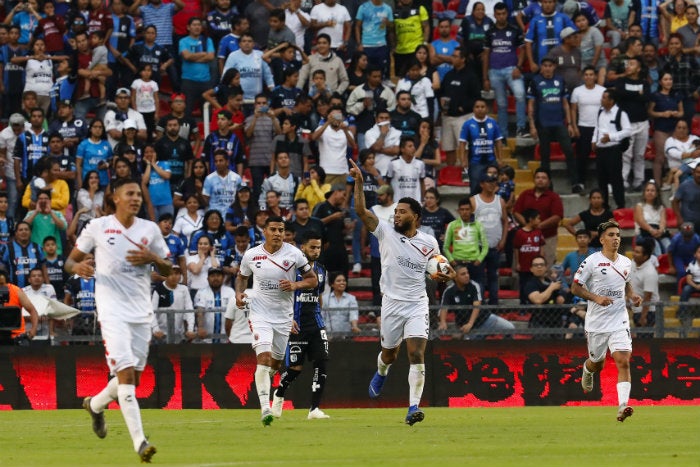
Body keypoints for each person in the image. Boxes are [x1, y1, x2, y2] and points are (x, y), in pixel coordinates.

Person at [66, 177, 172, 462]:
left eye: (139, 194)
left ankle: (95, 405)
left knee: (133, 379)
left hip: (140, 311)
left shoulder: (149, 229)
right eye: (130, 193)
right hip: (111, 310)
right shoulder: (98, 227)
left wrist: (152, 257)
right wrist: (78, 265)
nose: (136, 198)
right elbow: (69, 261)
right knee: (124, 374)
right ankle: (140, 443)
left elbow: (170, 268)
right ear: (115, 197)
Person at [348, 158, 454, 425]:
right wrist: (359, 183)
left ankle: (412, 408)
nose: (396, 215)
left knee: (416, 354)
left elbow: (441, 267)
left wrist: (446, 273)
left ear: (415, 217)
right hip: (392, 304)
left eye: (402, 212)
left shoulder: (429, 241)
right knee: (389, 354)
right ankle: (382, 371)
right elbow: (361, 211)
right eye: (395, 211)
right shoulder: (385, 232)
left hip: (417, 303)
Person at [235, 216, 317, 425]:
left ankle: (270, 389)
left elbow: (313, 280)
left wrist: (295, 286)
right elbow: (242, 277)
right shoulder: (252, 255)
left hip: (283, 317)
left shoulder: (294, 254)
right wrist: (239, 293)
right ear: (264, 231)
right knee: (263, 359)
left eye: (281, 229)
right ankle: (265, 409)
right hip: (260, 314)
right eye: (273, 229)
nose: (278, 233)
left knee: (276, 364)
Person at [572, 219, 642, 422]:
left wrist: (632, 295)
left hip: (619, 320)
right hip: (597, 322)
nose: (616, 239)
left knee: (623, 361)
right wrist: (596, 298)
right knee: (597, 364)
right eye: (611, 235)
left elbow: (626, 284)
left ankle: (622, 406)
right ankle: (587, 369)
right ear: (602, 239)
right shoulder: (591, 261)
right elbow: (575, 288)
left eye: (618, 235)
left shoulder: (626, 262)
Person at [272, 231, 330, 419]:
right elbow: (280, 297)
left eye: (319, 247)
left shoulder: (321, 270)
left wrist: (320, 317)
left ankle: (314, 409)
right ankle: (279, 394)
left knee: (322, 362)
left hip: (315, 323)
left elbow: (318, 295)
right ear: (302, 247)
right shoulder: (291, 270)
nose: (316, 251)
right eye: (312, 247)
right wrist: (287, 318)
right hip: (296, 324)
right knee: (295, 369)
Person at [527, 57, 576, 188]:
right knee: (545, 156)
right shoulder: (535, 81)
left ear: (554, 67)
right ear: (541, 67)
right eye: (545, 65)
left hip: (559, 123)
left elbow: (565, 103)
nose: (547, 68)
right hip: (543, 124)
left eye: (550, 65)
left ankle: (575, 182)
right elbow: (531, 105)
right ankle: (547, 185)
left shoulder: (560, 80)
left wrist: (570, 124)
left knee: (569, 151)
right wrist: (532, 126)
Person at [483, 2, 528, 139]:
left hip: (512, 70)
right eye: (498, 14)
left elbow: (523, 50)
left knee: (520, 95)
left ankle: (521, 128)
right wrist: (485, 77)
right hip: (494, 72)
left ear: (507, 14)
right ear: (495, 15)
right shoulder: (489, 32)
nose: (501, 16)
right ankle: (503, 134)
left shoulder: (515, 29)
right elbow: (486, 55)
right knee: (501, 104)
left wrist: (518, 67)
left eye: (503, 14)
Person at [438, 264, 515, 339]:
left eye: (467, 273)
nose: (467, 275)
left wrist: (470, 324)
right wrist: (443, 322)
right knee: (464, 343)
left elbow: (476, 306)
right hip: (465, 325)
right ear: (455, 277)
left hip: (486, 319)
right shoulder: (449, 291)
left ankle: (502, 349)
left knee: (510, 328)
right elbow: (444, 308)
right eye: (463, 274)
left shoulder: (474, 286)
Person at [513, 168, 564, 267]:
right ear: (534, 180)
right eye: (538, 177)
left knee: (546, 267)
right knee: (522, 267)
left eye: (543, 178)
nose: (540, 180)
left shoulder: (554, 197)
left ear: (549, 181)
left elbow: (557, 216)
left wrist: (539, 226)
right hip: (525, 238)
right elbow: (516, 212)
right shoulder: (525, 194)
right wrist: (527, 225)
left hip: (547, 238)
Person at [592, 88, 632, 210]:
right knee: (602, 179)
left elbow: (628, 130)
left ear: (611, 101)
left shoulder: (621, 113)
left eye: (604, 98)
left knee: (616, 179)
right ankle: (604, 205)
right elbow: (597, 127)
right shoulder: (600, 112)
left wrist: (611, 137)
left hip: (613, 150)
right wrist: (594, 140)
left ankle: (620, 205)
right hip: (601, 150)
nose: (601, 100)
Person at [570, 66, 606, 193]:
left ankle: (604, 184)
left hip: (600, 128)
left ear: (595, 76)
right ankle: (580, 182)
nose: (589, 77)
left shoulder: (603, 91)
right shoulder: (577, 91)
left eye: (591, 74)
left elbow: (607, 110)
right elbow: (573, 110)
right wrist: (574, 126)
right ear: (583, 77)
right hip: (583, 127)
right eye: (586, 74)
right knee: (582, 157)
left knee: (602, 157)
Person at [457, 98, 504, 191]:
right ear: (473, 109)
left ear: (487, 109)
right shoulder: (468, 124)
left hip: (491, 161)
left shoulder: (493, 122)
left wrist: (500, 159)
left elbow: (498, 141)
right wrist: (463, 160)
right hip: (475, 162)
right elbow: (462, 143)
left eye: (482, 107)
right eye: (477, 107)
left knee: (494, 187)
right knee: (475, 187)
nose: (480, 109)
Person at [151, 265, 195, 344]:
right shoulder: (158, 289)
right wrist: (155, 329)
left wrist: (190, 329)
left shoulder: (184, 289)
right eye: (171, 274)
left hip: (178, 335)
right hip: (161, 335)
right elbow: (152, 311)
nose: (174, 276)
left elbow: (189, 310)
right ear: (165, 275)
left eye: (177, 273)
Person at [193, 267, 235, 343]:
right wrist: (200, 327)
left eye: (218, 275)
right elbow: (199, 311)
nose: (215, 278)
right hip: (206, 339)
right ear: (207, 279)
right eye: (212, 276)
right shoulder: (201, 292)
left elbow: (235, 311)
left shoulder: (230, 292)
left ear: (223, 278)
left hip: (227, 339)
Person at [634, 180, 671, 255]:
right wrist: (651, 230)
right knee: (656, 248)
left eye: (652, 190)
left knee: (668, 246)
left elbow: (663, 222)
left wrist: (660, 231)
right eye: (647, 190)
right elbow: (641, 221)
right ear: (644, 193)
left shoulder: (661, 207)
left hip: (659, 233)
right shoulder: (639, 206)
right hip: (644, 234)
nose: (650, 192)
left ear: (657, 193)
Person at [630, 238, 659, 333]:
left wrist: (643, 317)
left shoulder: (650, 273)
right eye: (634, 251)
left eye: (637, 252)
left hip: (648, 311)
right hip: (636, 309)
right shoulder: (633, 263)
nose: (634, 254)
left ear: (645, 256)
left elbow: (648, 297)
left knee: (645, 340)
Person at [322, 271, 360, 337]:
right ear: (332, 284)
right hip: (328, 335)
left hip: (346, 336)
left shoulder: (351, 298)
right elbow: (322, 317)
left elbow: (353, 314)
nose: (342, 283)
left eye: (344, 281)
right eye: (338, 281)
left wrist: (354, 326)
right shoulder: (324, 298)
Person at [672, 163, 700, 232]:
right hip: (687, 222)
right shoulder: (685, 186)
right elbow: (675, 202)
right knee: (688, 240)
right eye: (698, 172)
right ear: (693, 173)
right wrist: (679, 217)